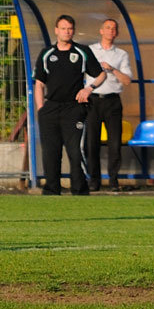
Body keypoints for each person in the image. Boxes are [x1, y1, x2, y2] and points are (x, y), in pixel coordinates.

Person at [33, 15, 106, 195]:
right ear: (56, 30)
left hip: (74, 109)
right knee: (51, 152)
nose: (67, 32)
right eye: (63, 28)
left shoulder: (82, 51)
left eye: (70, 29)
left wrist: (89, 89)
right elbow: (39, 84)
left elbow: (101, 75)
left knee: (75, 150)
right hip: (51, 109)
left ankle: (79, 189)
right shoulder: (47, 54)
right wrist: (41, 109)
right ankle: (51, 189)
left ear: (73, 31)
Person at [85, 19, 132, 192]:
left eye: (114, 28)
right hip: (93, 100)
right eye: (108, 28)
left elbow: (127, 80)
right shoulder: (90, 51)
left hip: (112, 101)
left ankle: (113, 180)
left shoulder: (121, 54)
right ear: (101, 31)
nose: (111, 31)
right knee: (92, 142)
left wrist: (112, 69)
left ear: (117, 33)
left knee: (114, 143)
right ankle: (94, 180)